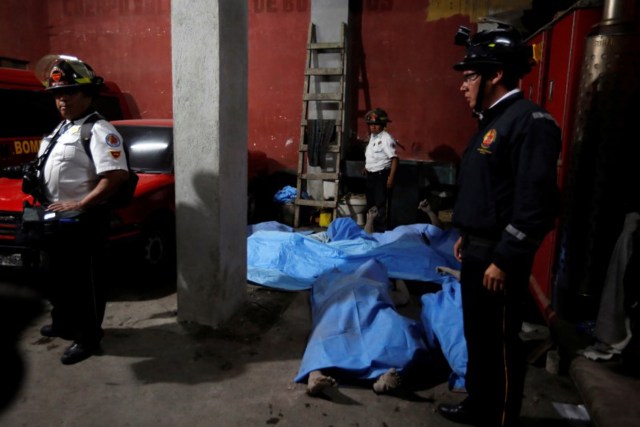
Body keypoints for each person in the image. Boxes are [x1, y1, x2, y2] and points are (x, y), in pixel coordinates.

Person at [436, 25, 561, 426]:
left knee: (501, 344)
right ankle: (478, 404)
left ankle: (502, 418)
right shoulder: (494, 121)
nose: (463, 86)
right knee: (478, 336)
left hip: (498, 258)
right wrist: (465, 236)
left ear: (496, 75)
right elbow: (491, 191)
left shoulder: (529, 122)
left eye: (470, 76)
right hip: (477, 249)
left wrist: (505, 258)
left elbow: (535, 203)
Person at [31, 55, 129, 365]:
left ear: (88, 95)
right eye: (58, 95)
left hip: (85, 221)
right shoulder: (61, 129)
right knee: (55, 277)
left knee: (84, 282)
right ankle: (62, 322)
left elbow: (116, 175)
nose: (62, 100)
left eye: (69, 93)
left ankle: (88, 336)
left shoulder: (99, 129)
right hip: (55, 218)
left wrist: (81, 203)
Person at [364, 108, 398, 232]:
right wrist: (366, 167)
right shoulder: (373, 137)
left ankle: (380, 232)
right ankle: (370, 229)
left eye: (376, 125)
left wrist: (391, 178)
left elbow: (394, 159)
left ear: (383, 125)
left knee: (380, 205)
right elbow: (372, 155)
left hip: (381, 175)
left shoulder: (386, 139)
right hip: (371, 175)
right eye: (371, 125)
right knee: (370, 203)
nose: (373, 127)